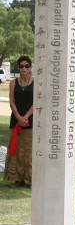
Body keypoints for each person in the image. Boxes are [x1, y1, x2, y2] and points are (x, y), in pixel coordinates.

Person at [4, 56, 34, 189]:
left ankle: (31, 179)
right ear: (18, 68)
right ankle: (18, 179)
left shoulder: (36, 82)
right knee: (16, 150)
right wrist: (18, 117)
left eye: (26, 66)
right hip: (16, 121)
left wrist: (26, 117)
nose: (24, 69)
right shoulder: (13, 82)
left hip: (31, 121)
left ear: (30, 67)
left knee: (29, 150)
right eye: (21, 66)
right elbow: (11, 101)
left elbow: (37, 102)